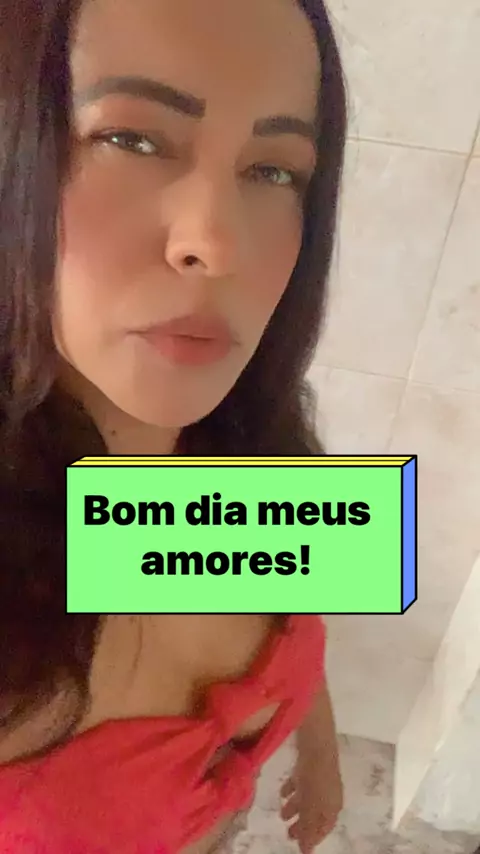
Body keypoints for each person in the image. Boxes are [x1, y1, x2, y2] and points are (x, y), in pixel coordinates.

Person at [0, 0, 347, 852]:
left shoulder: (257, 443)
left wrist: (316, 746)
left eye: (274, 170)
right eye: (132, 139)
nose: (216, 245)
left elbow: (296, 590)